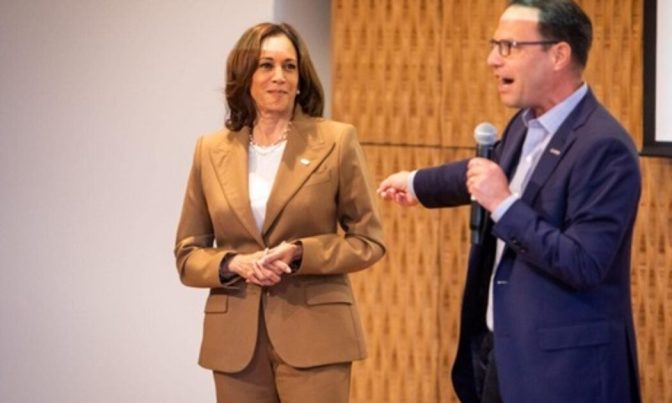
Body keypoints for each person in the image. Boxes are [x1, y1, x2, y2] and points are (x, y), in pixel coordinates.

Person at [378, 1, 642, 402]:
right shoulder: (524, 123)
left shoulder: (605, 147)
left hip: (565, 372)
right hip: (503, 353)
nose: (492, 60)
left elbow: (585, 263)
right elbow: (489, 171)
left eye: (509, 47)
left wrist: (503, 205)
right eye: (494, 45)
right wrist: (417, 184)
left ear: (559, 54)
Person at [174, 22, 385, 403]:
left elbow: (368, 241)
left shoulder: (336, 141)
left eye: (289, 66)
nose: (279, 77)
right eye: (266, 65)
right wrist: (234, 263)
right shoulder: (210, 150)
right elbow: (188, 254)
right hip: (235, 342)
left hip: (316, 337)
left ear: (301, 79)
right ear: (245, 76)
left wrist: (301, 253)